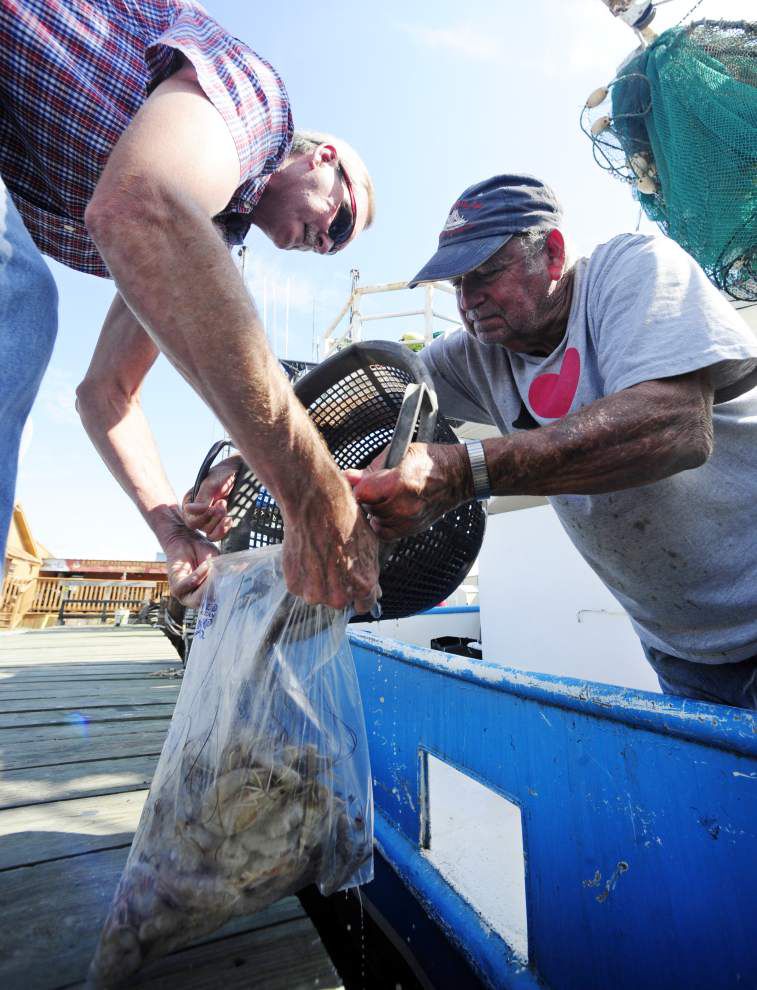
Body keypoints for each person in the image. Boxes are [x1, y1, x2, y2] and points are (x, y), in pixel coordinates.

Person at [0, 0, 379, 613]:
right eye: (341, 222)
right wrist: (313, 493)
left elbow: (107, 394)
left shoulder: (201, 230)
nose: (324, 244)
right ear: (324, 158)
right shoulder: (261, 103)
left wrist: (171, 528)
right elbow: (138, 205)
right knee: (16, 302)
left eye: (335, 250)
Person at [347, 174, 757, 709]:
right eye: (456, 285)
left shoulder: (630, 272)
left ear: (554, 254)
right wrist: (242, 464)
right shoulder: (475, 353)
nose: (468, 302)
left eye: (486, 273)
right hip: (684, 655)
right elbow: (367, 394)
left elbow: (675, 427)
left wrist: (461, 471)